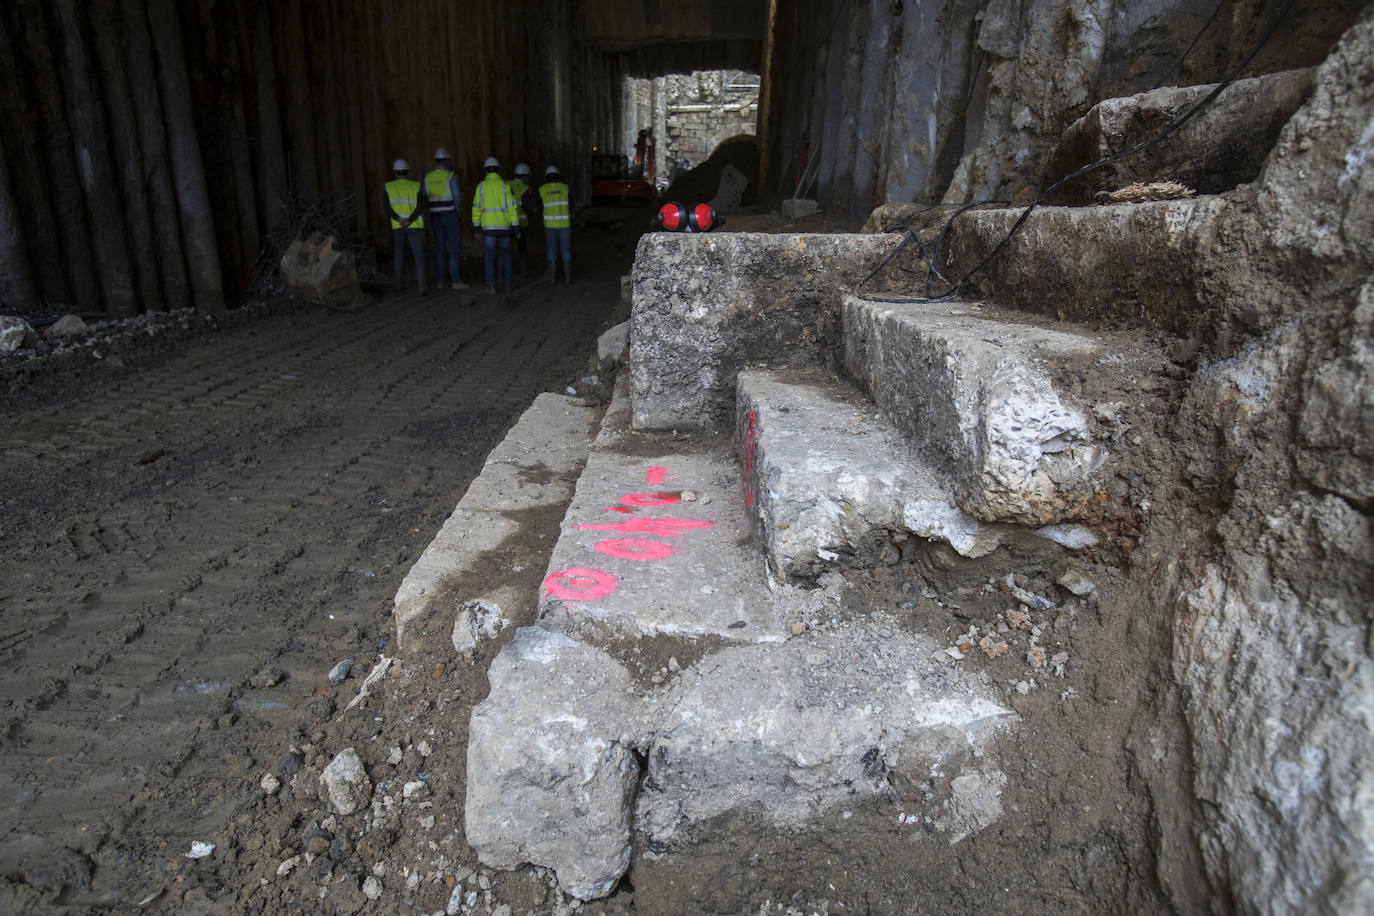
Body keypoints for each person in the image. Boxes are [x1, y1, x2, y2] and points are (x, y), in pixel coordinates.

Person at [471, 156, 519, 294]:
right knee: (505, 255)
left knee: (489, 256)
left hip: (488, 228)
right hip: (504, 227)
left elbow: (476, 208)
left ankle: (491, 286)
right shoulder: (505, 186)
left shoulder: (480, 186)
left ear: (486, 171)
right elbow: (512, 208)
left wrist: (476, 227)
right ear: (498, 170)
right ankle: (508, 284)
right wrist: (515, 227)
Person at [424, 147, 468, 290]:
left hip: (435, 216)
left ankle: (441, 281)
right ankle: (456, 281)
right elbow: (456, 196)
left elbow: (424, 197)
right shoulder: (451, 176)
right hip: (450, 215)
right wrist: (458, 211)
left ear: (436, 161)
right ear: (447, 160)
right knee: (454, 248)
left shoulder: (428, 177)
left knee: (440, 248)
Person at [385, 158, 426, 293]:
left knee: (399, 255)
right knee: (418, 256)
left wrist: (399, 219)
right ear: (407, 171)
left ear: (395, 173)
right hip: (413, 225)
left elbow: (386, 207)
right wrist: (410, 219)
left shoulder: (388, 187)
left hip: (398, 226)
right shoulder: (416, 185)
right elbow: (421, 206)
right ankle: (422, 287)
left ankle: (398, 285)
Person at [539, 165, 572, 284]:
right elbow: (571, 205)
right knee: (566, 251)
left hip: (550, 226)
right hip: (564, 225)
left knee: (551, 251)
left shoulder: (542, 190)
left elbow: (539, 208)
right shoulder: (565, 188)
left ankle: (552, 278)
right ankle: (568, 278)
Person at [508, 163, 536, 278]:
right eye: (528, 177)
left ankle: (505, 272)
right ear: (524, 176)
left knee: (505, 249)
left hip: (507, 223)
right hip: (521, 224)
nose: (529, 179)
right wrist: (533, 211)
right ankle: (523, 271)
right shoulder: (525, 188)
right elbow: (526, 206)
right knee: (522, 249)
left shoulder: (506, 184)